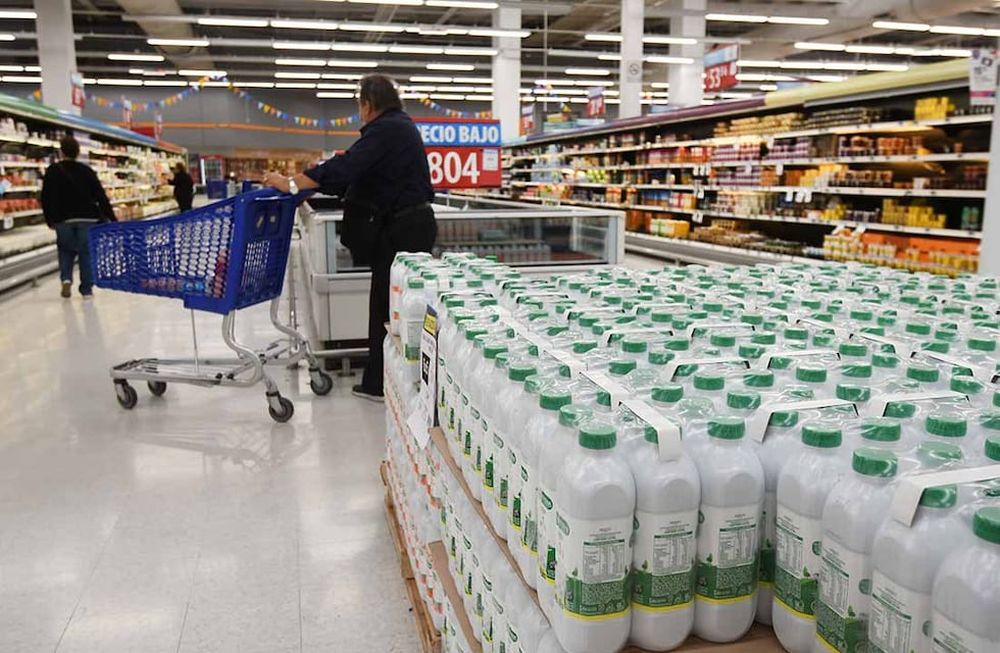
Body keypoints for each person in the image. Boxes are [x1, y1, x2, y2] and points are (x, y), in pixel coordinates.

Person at [263, 74, 435, 402]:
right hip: (408, 226)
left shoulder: (387, 129)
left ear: (368, 105)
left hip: (403, 230)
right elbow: (357, 173)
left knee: (388, 307)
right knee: (394, 305)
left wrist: (293, 184)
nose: (359, 112)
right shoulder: (398, 127)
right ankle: (390, 376)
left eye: (359, 106)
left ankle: (380, 383)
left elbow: (348, 167)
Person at [40, 134, 116, 299]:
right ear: (77, 151)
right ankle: (87, 289)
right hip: (87, 219)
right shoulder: (86, 170)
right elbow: (100, 196)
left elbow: (45, 197)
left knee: (65, 251)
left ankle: (66, 279)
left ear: (61, 152)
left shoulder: (52, 171)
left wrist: (49, 219)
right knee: (86, 253)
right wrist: (112, 217)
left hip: (63, 219)